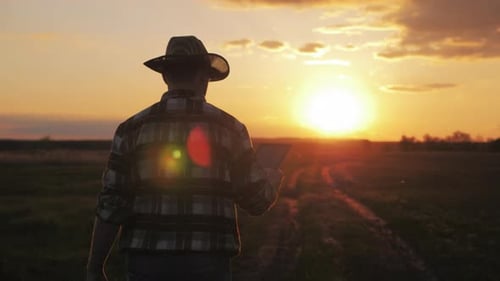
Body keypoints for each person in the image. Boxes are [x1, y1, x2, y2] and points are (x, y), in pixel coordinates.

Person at [86, 35, 283, 281]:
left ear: (165, 76)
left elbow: (111, 205)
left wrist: (95, 267)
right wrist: (272, 180)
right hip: (209, 263)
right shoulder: (231, 129)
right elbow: (256, 202)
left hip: (146, 263)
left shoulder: (130, 130)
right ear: (203, 75)